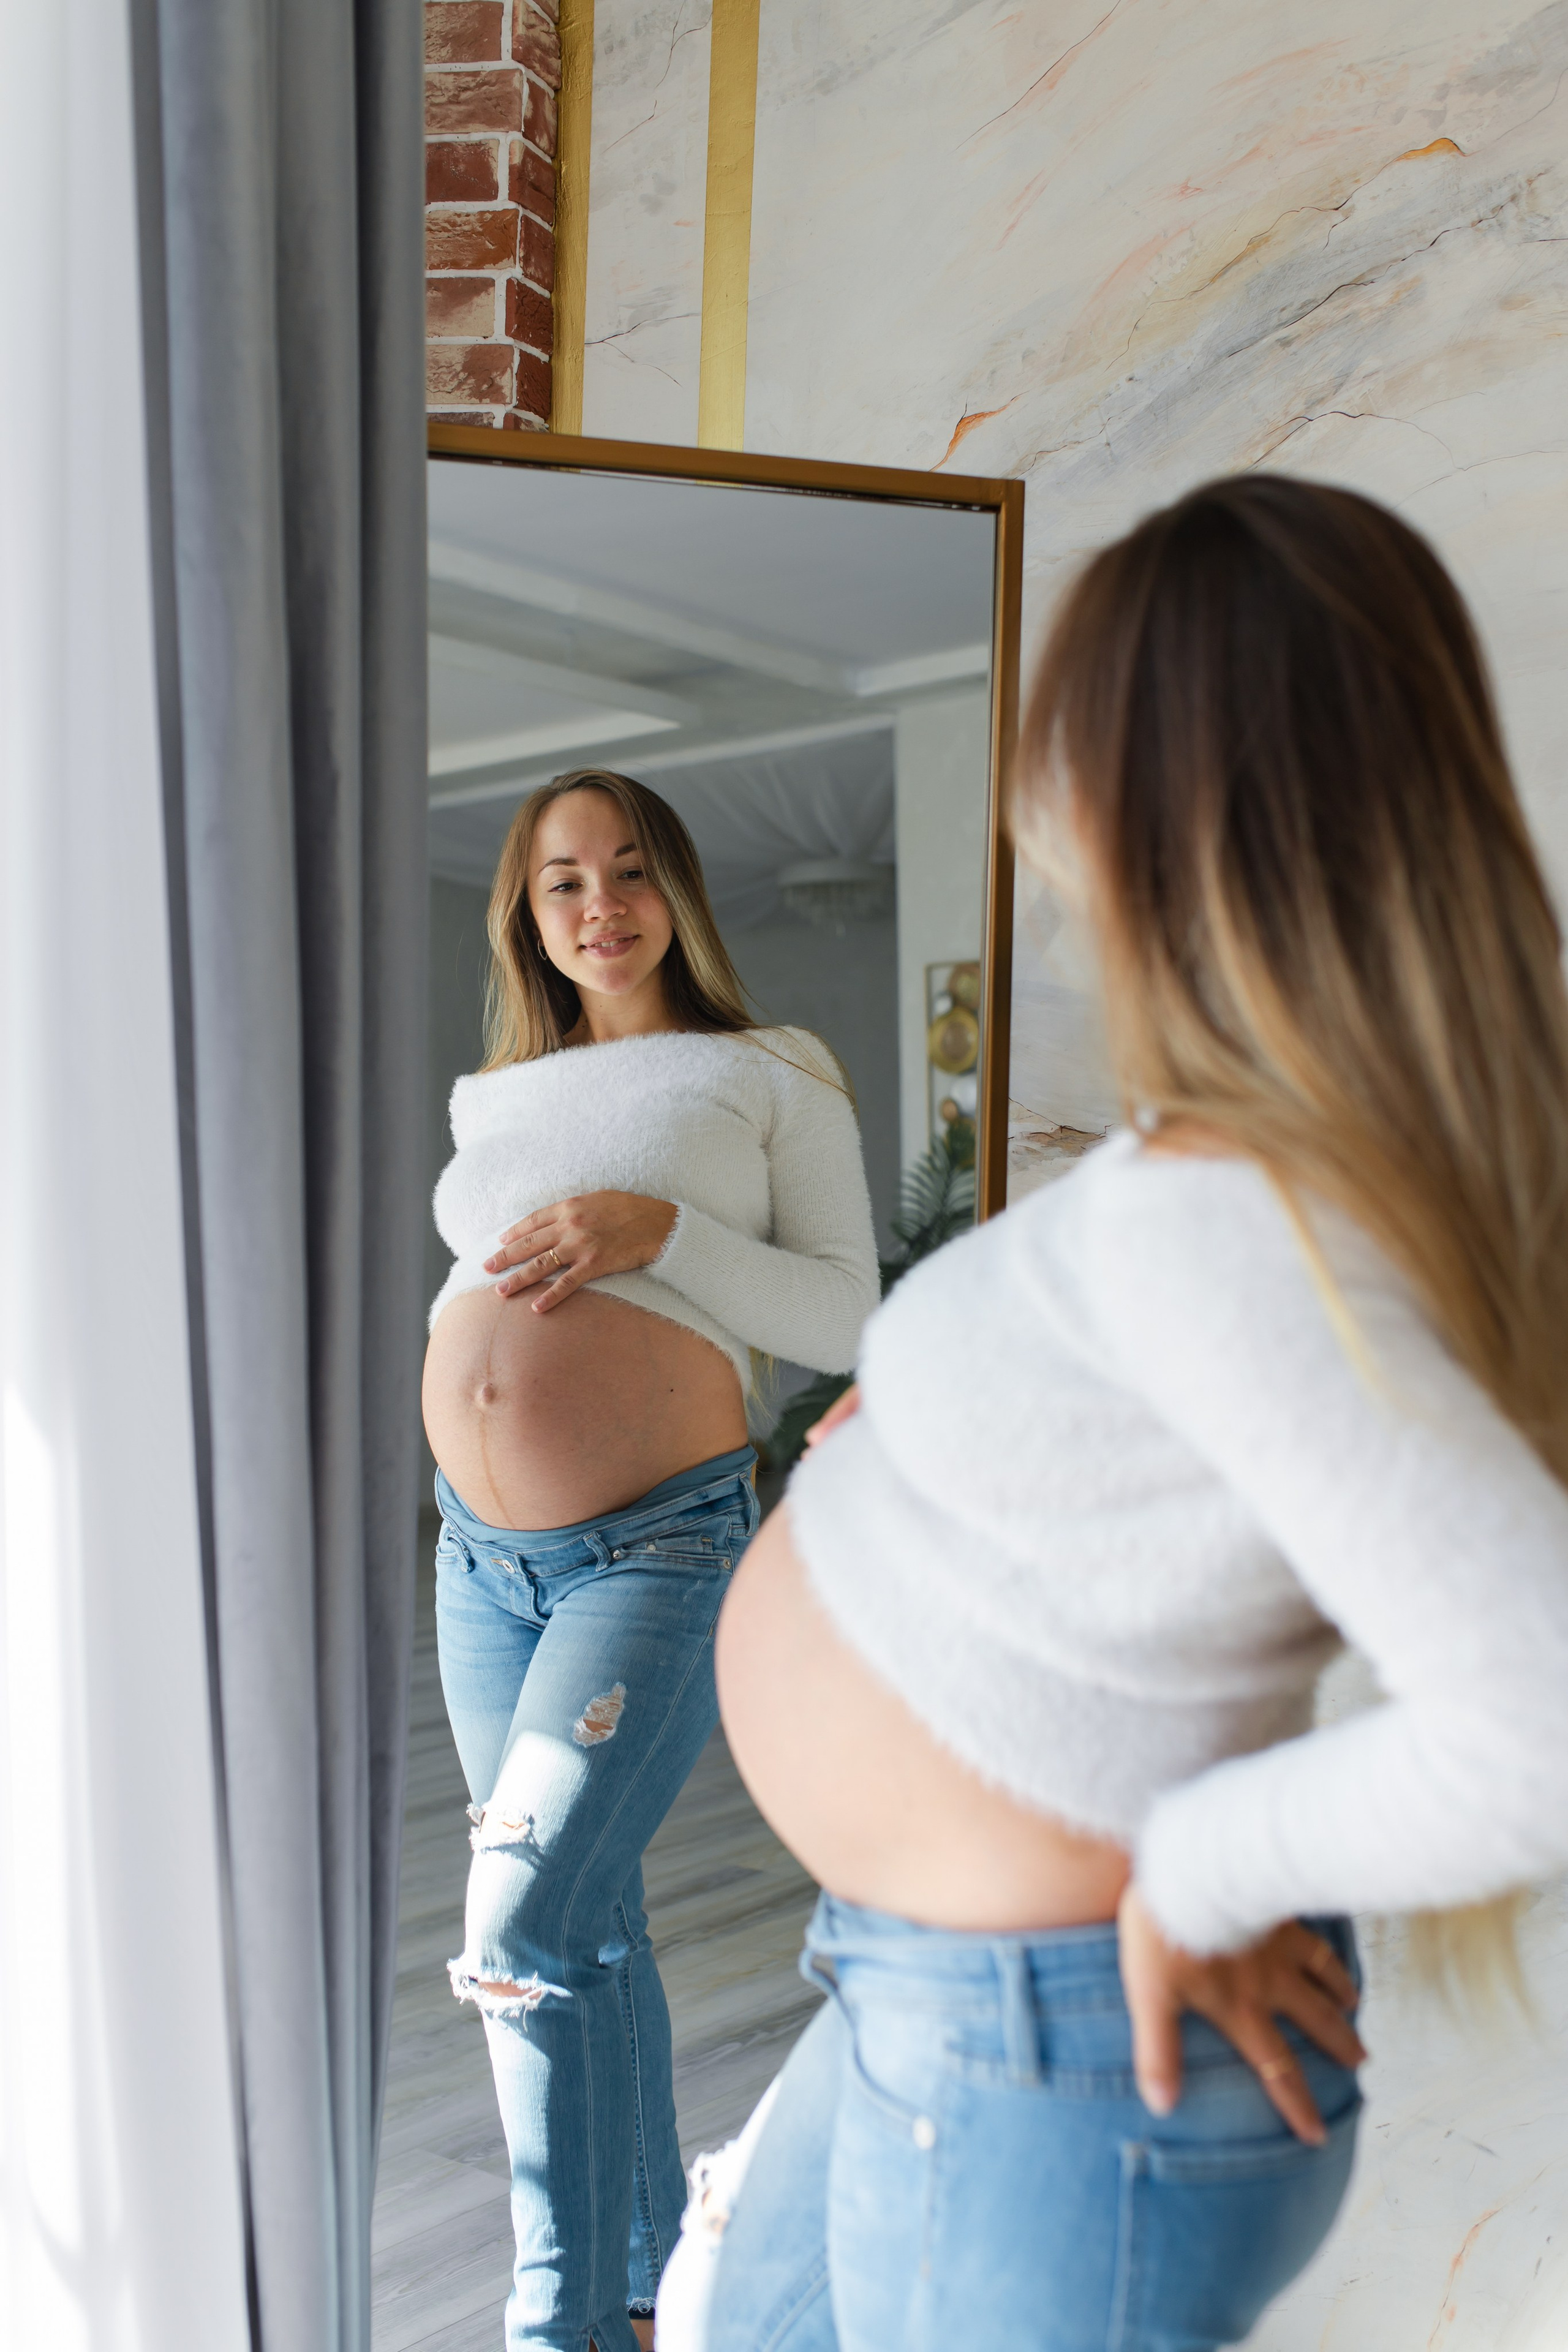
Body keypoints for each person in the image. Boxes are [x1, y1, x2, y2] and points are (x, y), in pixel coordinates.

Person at [666, 477, 1568, 2351]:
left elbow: (1536, 1721)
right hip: (950, 1992)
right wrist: (923, 1442)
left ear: (1142, 798)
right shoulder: (1250, 1169)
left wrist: (1204, 1872)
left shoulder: (1250, 1219)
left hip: (1052, 2041)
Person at [421, 767, 880, 2352]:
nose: (600, 905)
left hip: (658, 1547)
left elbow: (849, 1319)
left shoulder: (770, 1070)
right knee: (585, 1916)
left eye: (629, 870)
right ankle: (645, 2283)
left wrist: (660, 1230)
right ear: (528, 916)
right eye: (564, 881)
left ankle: (549, 2325)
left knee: (519, 1928)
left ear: (676, 888)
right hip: (477, 1564)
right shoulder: (494, 1098)